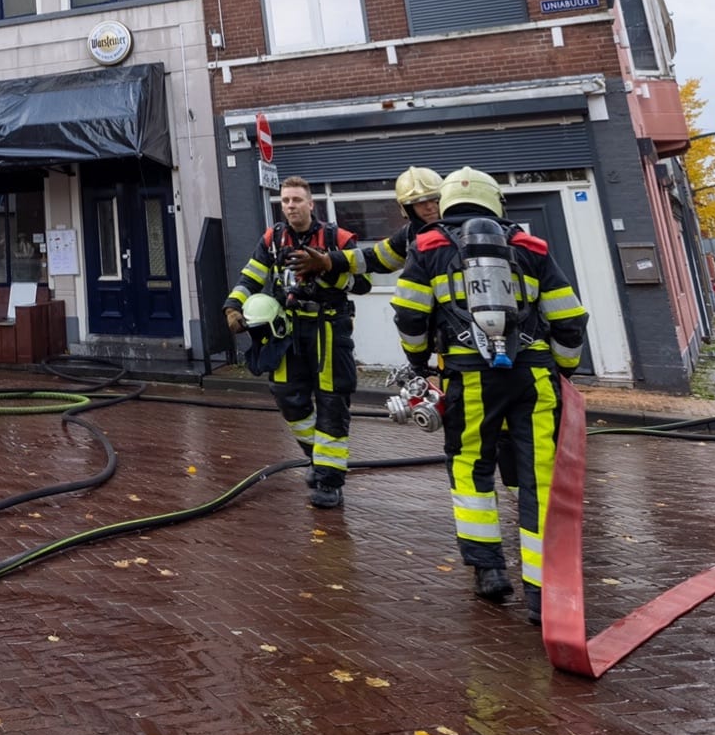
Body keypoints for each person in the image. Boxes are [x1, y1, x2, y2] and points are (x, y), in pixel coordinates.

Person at [391, 167, 588, 621]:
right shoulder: (531, 246)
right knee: (539, 476)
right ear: (495, 201)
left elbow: (409, 315)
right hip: (534, 377)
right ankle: (543, 594)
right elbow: (570, 318)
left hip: (469, 374)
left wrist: (420, 364)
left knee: (470, 467)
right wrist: (564, 371)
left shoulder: (429, 247)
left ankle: (488, 571)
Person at [223, 174, 368, 509]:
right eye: (285, 201)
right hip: (287, 330)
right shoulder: (274, 238)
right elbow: (252, 275)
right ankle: (318, 458)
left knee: (332, 401)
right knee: (287, 396)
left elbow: (363, 284)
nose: (290, 206)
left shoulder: (338, 238)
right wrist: (232, 306)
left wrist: (328, 266)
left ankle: (329, 483)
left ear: (310, 203)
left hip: (329, 328)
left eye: (296, 200)